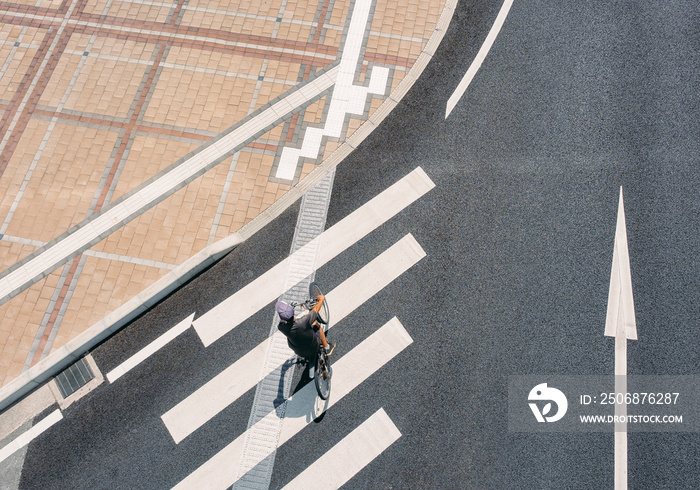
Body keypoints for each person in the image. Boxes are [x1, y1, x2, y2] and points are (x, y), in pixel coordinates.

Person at [276, 295, 335, 361]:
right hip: (314, 347)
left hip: (300, 353)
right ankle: (327, 347)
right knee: (315, 324)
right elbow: (315, 310)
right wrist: (321, 299)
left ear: (281, 318)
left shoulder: (281, 327)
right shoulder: (304, 321)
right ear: (293, 311)